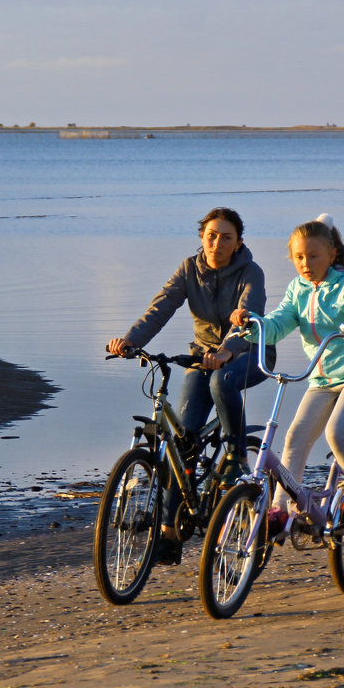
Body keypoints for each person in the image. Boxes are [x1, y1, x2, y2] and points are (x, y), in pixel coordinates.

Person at [107, 207, 273, 564]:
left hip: (249, 353)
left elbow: (249, 315)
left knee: (221, 381)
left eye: (226, 237)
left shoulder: (251, 273)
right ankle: (169, 533)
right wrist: (129, 341)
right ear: (202, 237)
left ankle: (235, 455)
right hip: (203, 355)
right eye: (211, 235)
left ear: (238, 242)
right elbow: (161, 308)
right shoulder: (189, 269)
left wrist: (228, 350)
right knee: (181, 442)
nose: (217, 242)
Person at [230, 214, 344, 538]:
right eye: (299, 257)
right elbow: (277, 325)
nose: (306, 263)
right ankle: (279, 510)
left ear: (332, 254)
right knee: (295, 438)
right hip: (322, 379)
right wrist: (252, 325)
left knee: (338, 432)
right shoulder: (298, 289)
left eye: (313, 256)